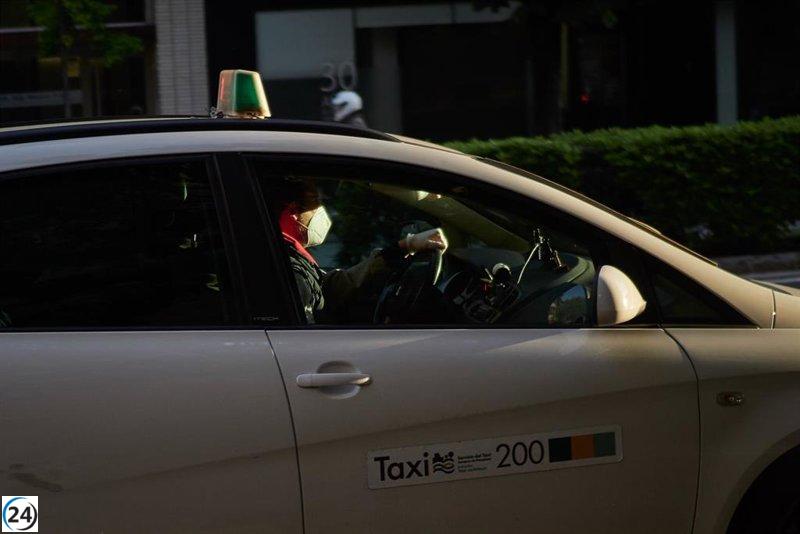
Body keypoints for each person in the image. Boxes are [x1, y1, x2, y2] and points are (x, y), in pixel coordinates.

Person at [276, 179, 447, 323]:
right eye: (316, 202)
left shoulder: (285, 255)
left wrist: (403, 247)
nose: (321, 210)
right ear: (292, 211)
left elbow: (330, 287)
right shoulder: (288, 270)